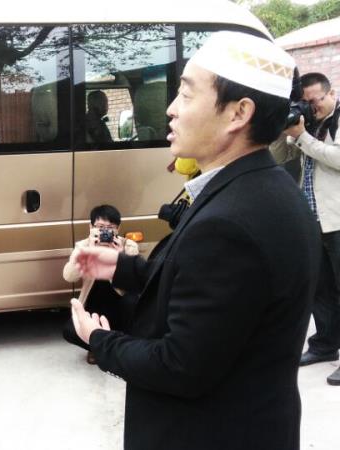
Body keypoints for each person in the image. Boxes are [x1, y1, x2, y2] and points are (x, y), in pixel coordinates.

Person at [69, 32, 320, 450]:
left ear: (238, 113)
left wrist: (99, 340)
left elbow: (179, 366)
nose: (171, 109)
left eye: (186, 95)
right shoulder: (266, 187)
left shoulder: (230, 223)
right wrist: (124, 268)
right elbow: (209, 289)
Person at [270, 72, 340, 385]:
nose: (312, 107)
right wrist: (282, 130)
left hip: (337, 220)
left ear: (331, 93)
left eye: (316, 101)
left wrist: (304, 137)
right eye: (306, 103)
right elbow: (278, 157)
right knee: (320, 289)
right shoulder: (307, 125)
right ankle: (324, 345)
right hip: (313, 219)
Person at [61, 204, 138, 364]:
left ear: (118, 229)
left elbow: (134, 284)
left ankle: (119, 347)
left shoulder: (128, 246)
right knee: (69, 330)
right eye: (100, 227)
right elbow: (69, 276)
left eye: (110, 228)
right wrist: (87, 253)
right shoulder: (83, 246)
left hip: (121, 304)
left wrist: (120, 257)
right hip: (94, 303)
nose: (105, 232)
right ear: (91, 227)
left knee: (132, 304)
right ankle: (97, 347)